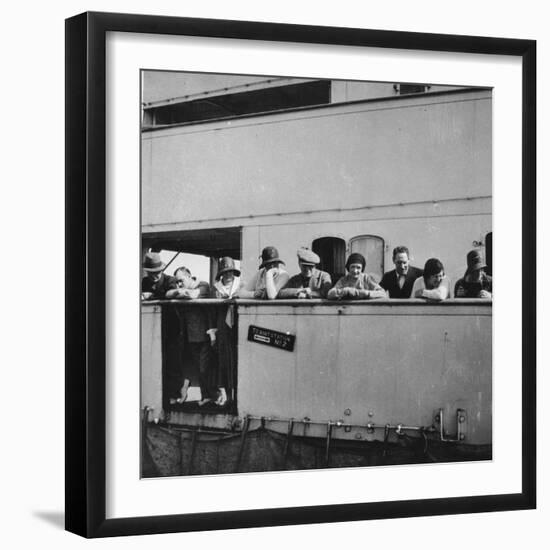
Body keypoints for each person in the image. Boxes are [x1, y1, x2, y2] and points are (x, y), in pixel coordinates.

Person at [167, 266, 218, 406]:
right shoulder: (182, 289)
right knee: (195, 367)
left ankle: (211, 396)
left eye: (181, 281)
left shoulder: (203, 285)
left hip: (205, 336)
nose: (179, 284)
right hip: (189, 337)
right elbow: (168, 294)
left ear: (189, 277)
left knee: (204, 368)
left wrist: (181, 292)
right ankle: (206, 396)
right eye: (177, 282)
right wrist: (179, 291)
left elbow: (194, 295)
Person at [210, 257, 241, 406]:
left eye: (231, 272)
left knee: (237, 360)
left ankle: (236, 395)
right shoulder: (215, 289)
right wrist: (213, 333)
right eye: (225, 272)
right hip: (222, 328)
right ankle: (224, 393)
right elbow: (211, 313)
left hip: (238, 327)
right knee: (222, 361)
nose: (229, 275)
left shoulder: (241, 285)